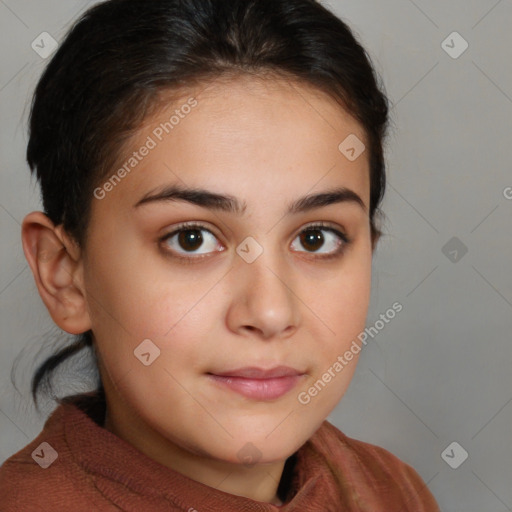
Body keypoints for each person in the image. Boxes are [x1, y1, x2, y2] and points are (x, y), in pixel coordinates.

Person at [0, 0, 440, 510]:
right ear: (65, 275)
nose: (271, 312)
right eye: (192, 239)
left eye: (316, 238)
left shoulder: (391, 490)